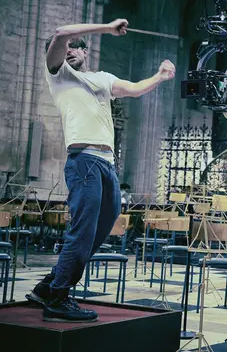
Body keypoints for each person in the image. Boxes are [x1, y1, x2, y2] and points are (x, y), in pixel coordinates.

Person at [26, 19, 176, 323]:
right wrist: (107, 28)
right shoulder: (59, 75)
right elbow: (60, 33)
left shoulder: (102, 79)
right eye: (64, 48)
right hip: (84, 161)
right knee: (81, 231)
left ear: (84, 51)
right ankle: (58, 297)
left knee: (98, 232)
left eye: (74, 47)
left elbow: (133, 90)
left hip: (107, 165)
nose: (68, 50)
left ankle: (48, 286)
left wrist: (160, 77)